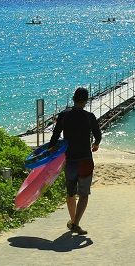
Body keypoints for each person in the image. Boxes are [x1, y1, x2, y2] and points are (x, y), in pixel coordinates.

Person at [49, 87, 101, 235]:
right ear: (86, 101)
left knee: (71, 192)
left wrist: (51, 149)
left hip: (70, 160)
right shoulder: (89, 116)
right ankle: (75, 223)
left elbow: (55, 134)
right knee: (84, 194)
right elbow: (98, 135)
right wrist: (96, 144)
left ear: (73, 99)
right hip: (85, 159)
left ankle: (73, 221)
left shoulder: (64, 115)